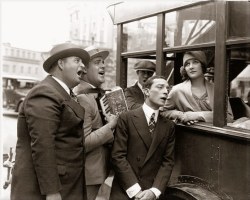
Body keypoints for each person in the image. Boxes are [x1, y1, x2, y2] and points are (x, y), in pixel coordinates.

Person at [11, 43, 90, 200]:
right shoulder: (45, 92)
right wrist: (52, 191)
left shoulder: (59, 92)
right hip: (51, 191)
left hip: (67, 185)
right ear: (61, 64)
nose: (83, 67)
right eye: (77, 60)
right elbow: (43, 145)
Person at [110, 75, 175, 200]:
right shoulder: (126, 118)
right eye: (160, 87)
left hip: (151, 192)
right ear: (146, 91)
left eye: (168, 88)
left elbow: (168, 162)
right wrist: (135, 190)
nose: (166, 91)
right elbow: (117, 156)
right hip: (126, 190)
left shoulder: (169, 126)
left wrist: (154, 191)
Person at [74, 46, 118, 200]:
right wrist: (111, 125)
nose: (103, 66)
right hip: (87, 174)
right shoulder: (82, 98)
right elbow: (84, 142)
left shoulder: (99, 94)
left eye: (104, 62)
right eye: (97, 62)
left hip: (98, 171)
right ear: (84, 69)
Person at [162, 51, 234, 125]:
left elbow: (229, 117)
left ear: (202, 65)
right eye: (187, 64)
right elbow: (162, 112)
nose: (191, 67)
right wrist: (181, 115)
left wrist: (196, 115)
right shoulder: (177, 90)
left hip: (216, 134)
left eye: (195, 62)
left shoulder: (217, 90)